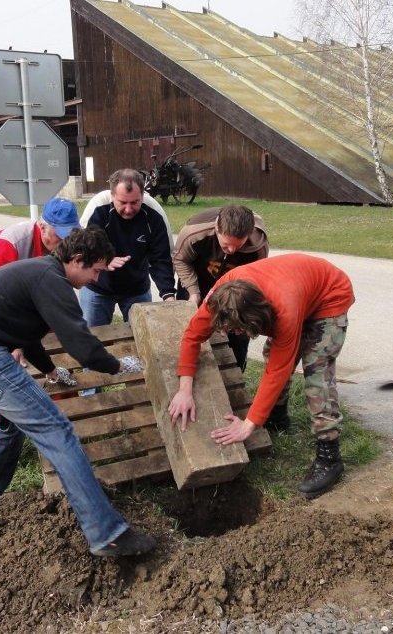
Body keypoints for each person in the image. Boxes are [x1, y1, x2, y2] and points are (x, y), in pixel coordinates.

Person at [0, 227, 156, 557]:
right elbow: (81, 344)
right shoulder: (51, 280)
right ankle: (106, 534)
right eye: (95, 271)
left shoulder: (42, 273)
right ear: (78, 260)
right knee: (58, 432)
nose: (96, 280)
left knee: (10, 426)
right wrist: (118, 366)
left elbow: (24, 334)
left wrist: (52, 371)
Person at [167, 254, 355, 499]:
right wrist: (185, 389)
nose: (231, 333)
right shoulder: (218, 299)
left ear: (255, 317)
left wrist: (248, 425)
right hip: (297, 287)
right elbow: (192, 336)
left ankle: (329, 456)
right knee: (272, 356)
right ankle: (277, 418)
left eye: (237, 330)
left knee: (317, 375)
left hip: (329, 295)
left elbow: (278, 370)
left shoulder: (284, 310)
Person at [0, 197, 81, 453]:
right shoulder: (11, 243)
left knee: (58, 353)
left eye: (69, 235)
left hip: (30, 302)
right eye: (58, 236)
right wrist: (13, 342)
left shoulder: (66, 245)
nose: (64, 243)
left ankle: (68, 428)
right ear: (42, 226)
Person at [172, 204, 269, 374]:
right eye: (226, 245)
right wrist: (194, 293)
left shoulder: (258, 243)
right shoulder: (194, 233)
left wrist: (233, 309)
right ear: (217, 228)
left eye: (238, 246)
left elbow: (255, 277)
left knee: (238, 332)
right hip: (198, 279)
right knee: (191, 325)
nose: (231, 251)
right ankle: (184, 370)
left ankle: (235, 376)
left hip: (235, 285)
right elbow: (180, 260)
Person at [80, 169, 176, 327]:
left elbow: (161, 259)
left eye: (134, 202)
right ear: (112, 196)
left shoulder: (154, 214)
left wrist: (168, 294)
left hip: (137, 288)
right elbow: (84, 248)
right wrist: (103, 260)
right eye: (123, 203)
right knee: (91, 337)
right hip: (98, 287)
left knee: (143, 336)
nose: (129, 209)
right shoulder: (98, 208)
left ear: (143, 196)